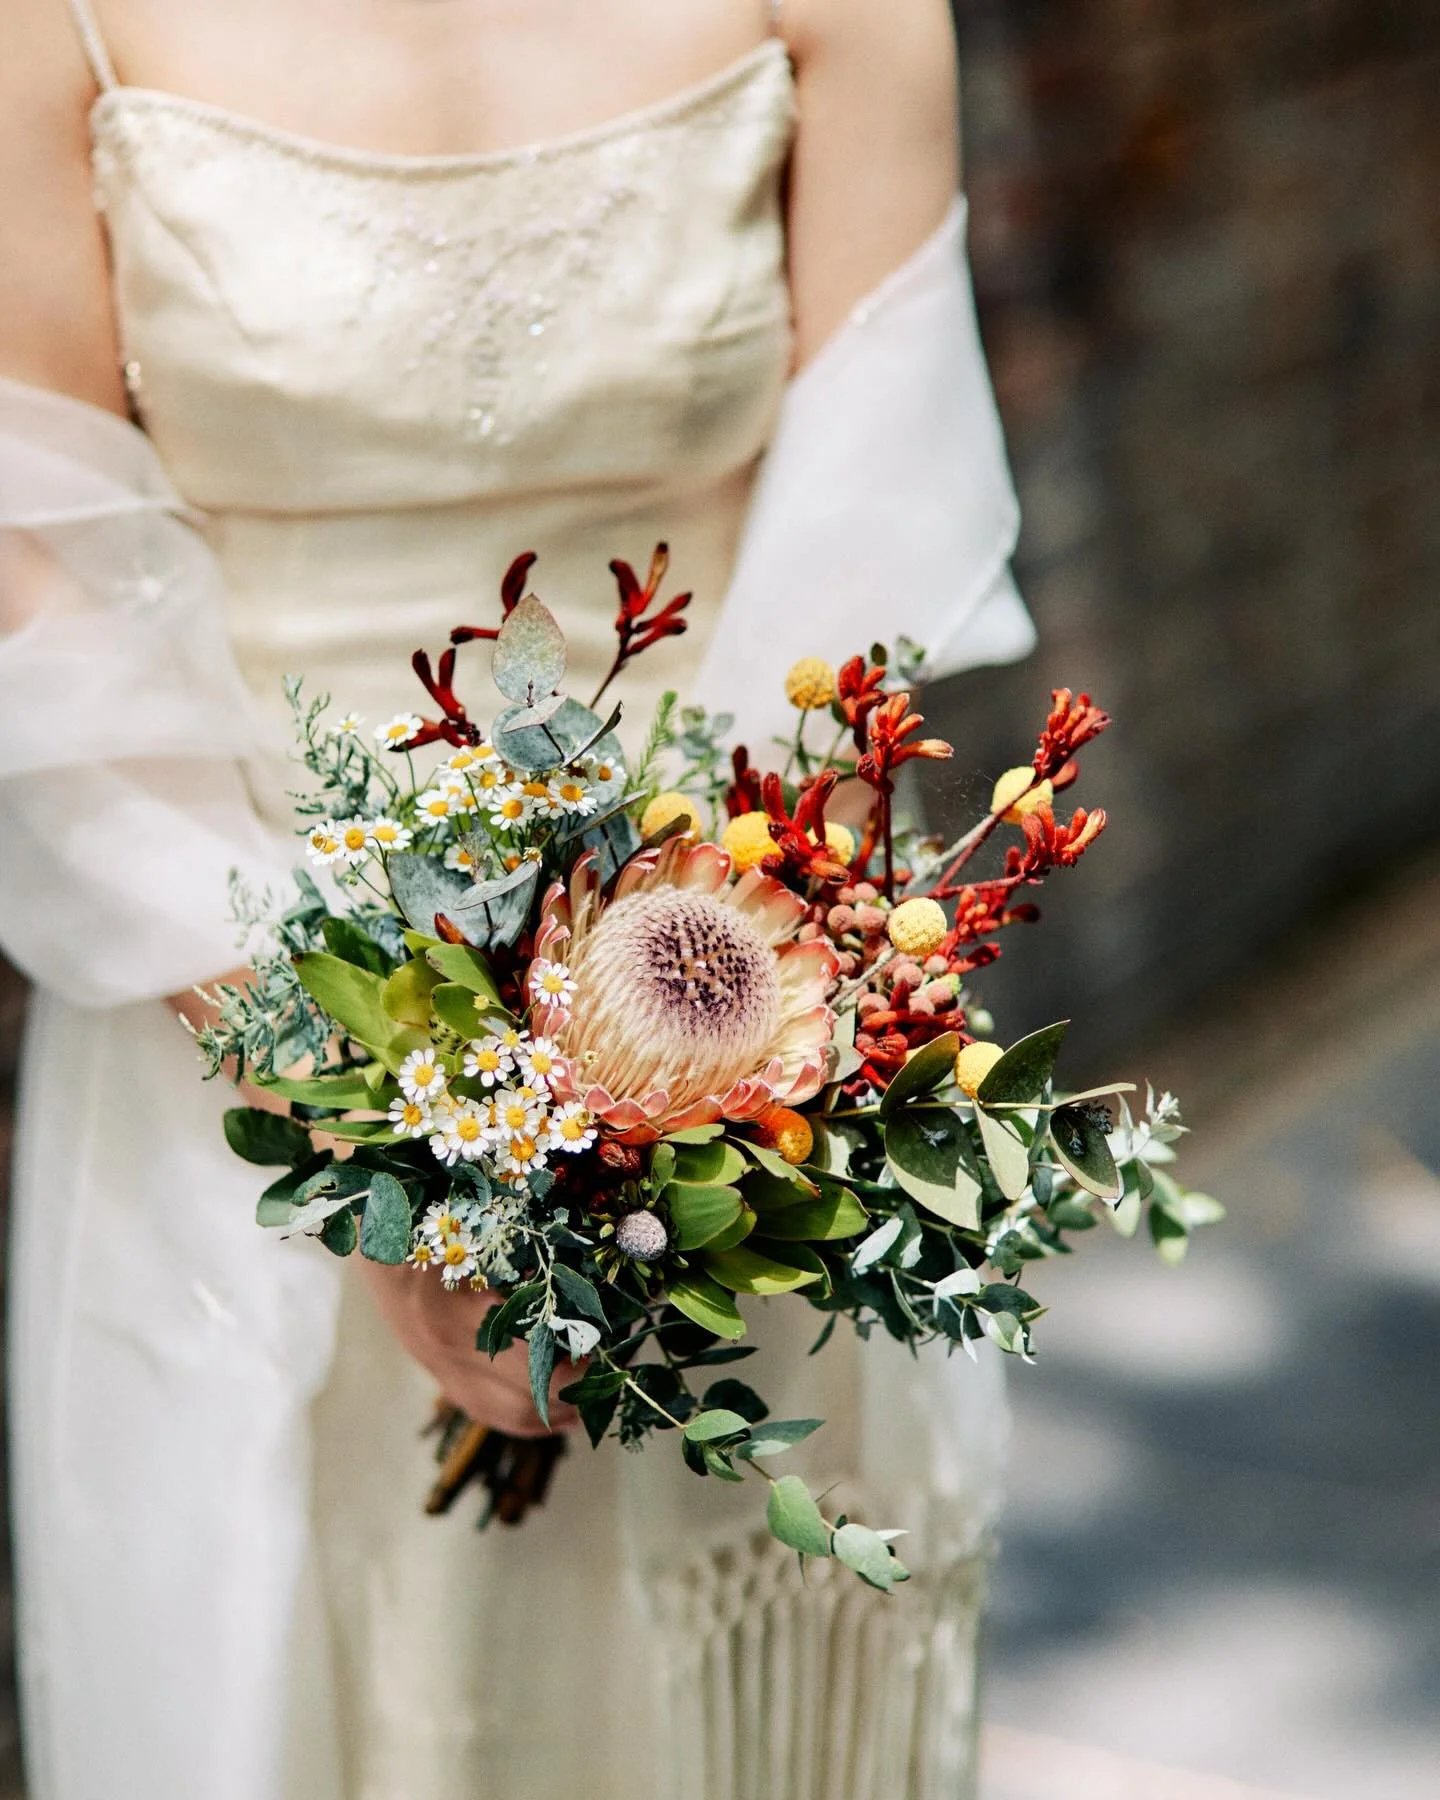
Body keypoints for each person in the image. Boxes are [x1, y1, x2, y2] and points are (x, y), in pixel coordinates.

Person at [0, 1, 1034, 1795]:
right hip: (224, 1034)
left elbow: (883, 531)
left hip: (737, 1023)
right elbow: (38, 579)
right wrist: (369, 1133)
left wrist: (652, 1095)